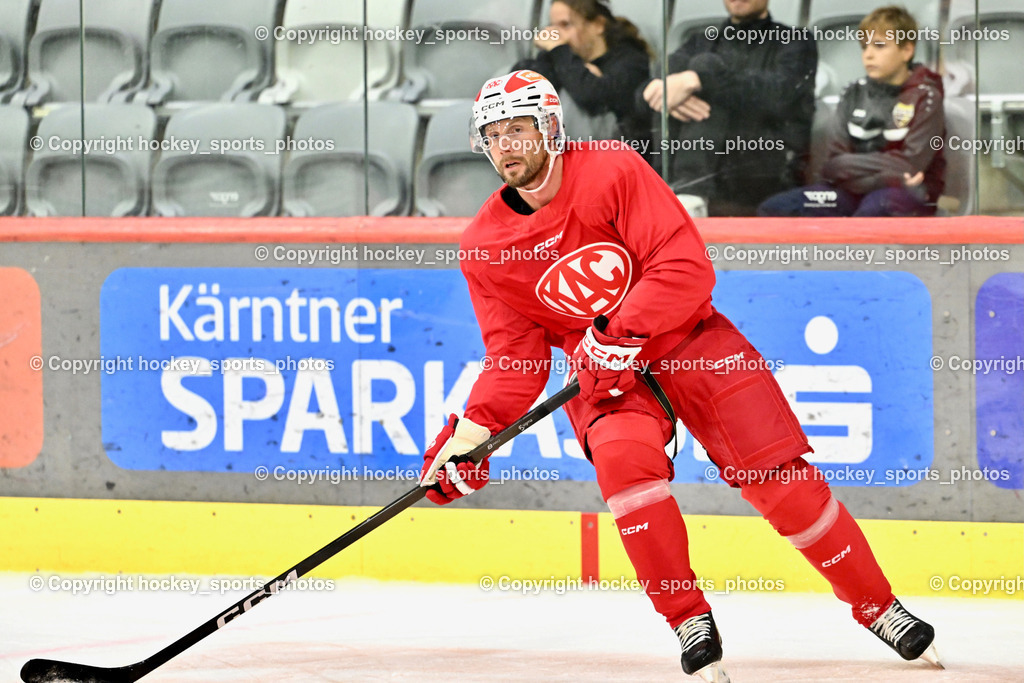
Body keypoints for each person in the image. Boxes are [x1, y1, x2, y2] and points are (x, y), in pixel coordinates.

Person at [417, 69, 942, 680]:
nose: (507, 144)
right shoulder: (484, 245)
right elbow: (515, 357)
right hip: (609, 385)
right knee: (624, 469)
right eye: (494, 134)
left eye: (519, 128)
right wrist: (473, 434)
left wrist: (619, 332)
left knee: (781, 479)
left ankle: (879, 607)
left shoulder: (611, 169)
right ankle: (687, 617)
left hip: (691, 342)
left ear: (551, 128)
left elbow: (684, 266)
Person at [758, 6, 945, 217]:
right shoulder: (852, 93)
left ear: (906, 51)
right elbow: (834, 165)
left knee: (871, 213)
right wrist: (876, 175)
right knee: (776, 208)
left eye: (879, 46)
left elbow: (909, 166)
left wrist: (853, 169)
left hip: (903, 192)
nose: (869, 55)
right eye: (864, 47)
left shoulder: (927, 96)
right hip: (849, 191)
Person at [639, 0, 816, 216]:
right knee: (675, 83)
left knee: (706, 70)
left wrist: (700, 79)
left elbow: (781, 96)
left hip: (760, 163)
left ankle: (687, 195)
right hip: (702, 164)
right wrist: (662, 93)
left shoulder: (794, 41)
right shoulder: (701, 41)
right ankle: (679, 194)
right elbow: (640, 98)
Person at [513, 0, 652, 149]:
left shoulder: (631, 62)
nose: (556, 35)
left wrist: (559, 50)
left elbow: (592, 96)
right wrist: (554, 54)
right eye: (553, 26)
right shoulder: (561, 57)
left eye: (565, 25)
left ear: (598, 25)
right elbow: (522, 88)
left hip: (616, 159)